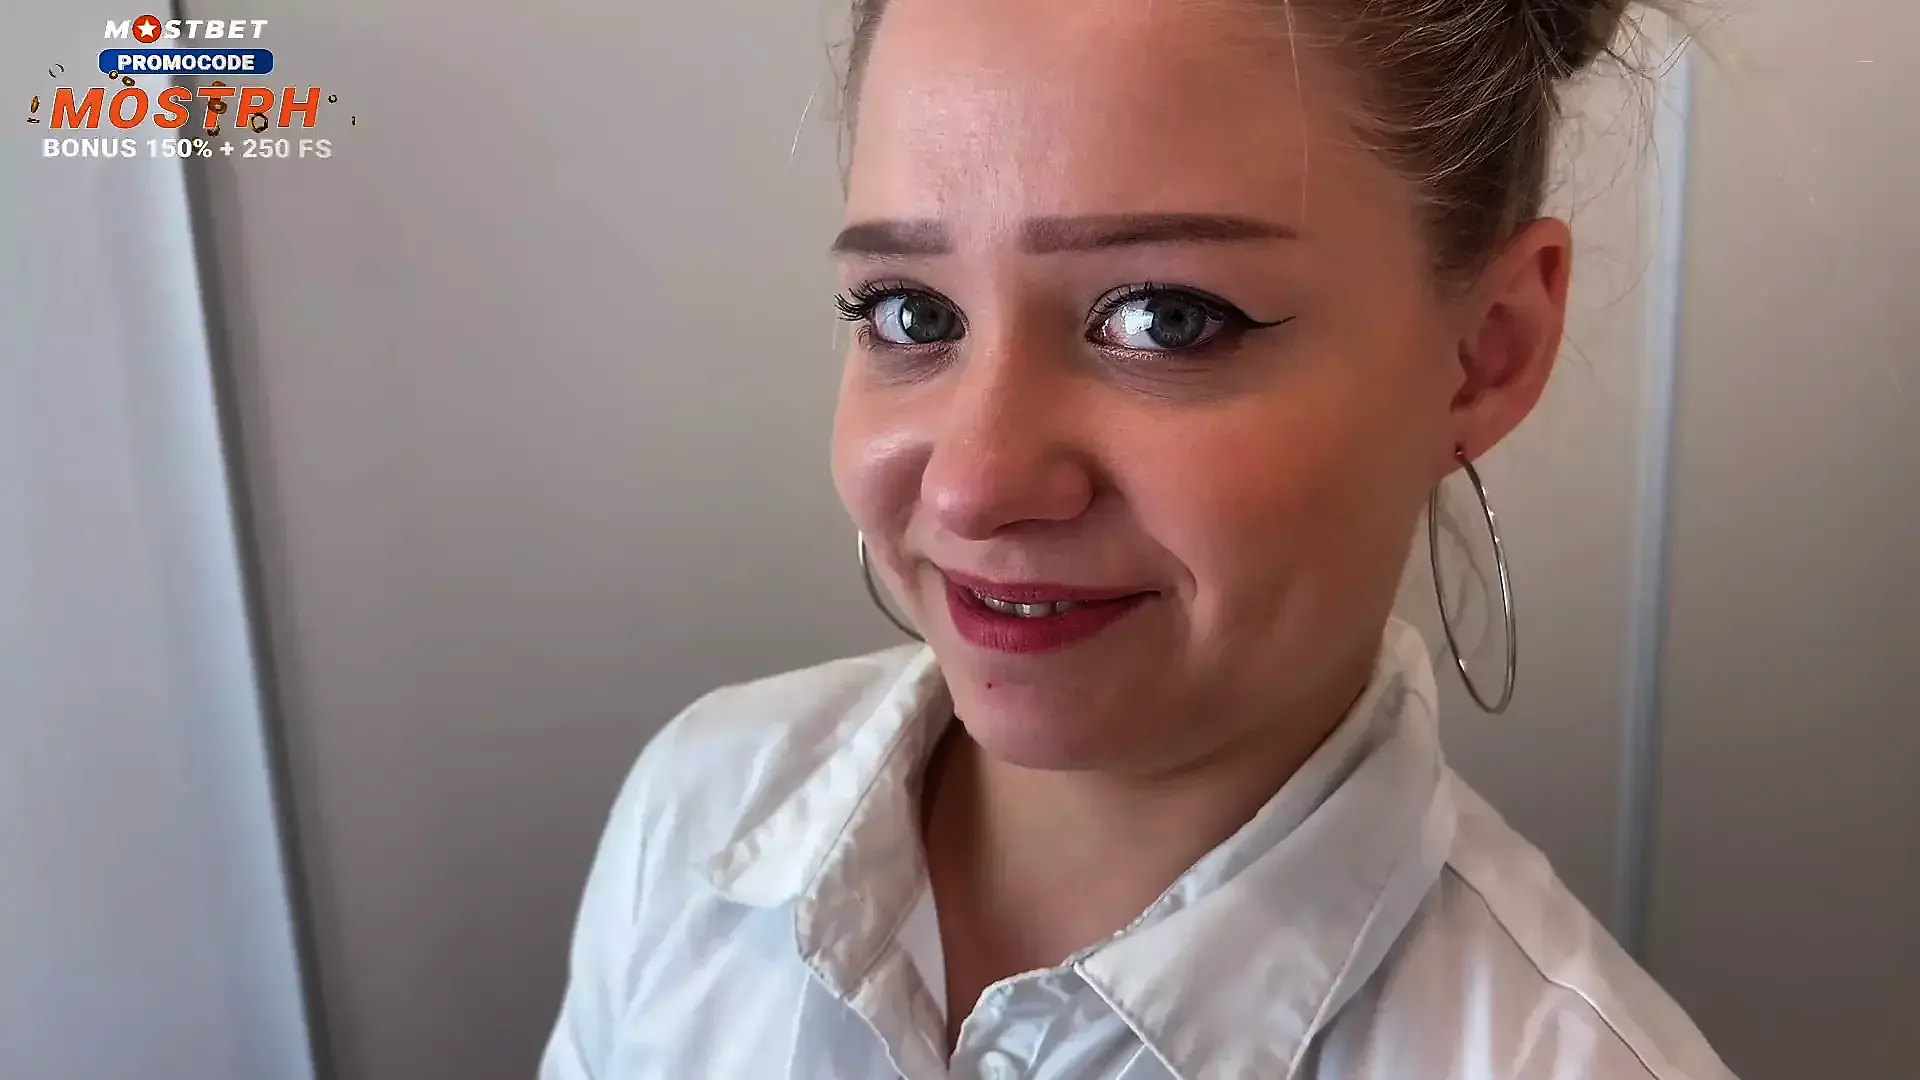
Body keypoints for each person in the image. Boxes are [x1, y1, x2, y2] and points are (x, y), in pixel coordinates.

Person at [541, 0, 1736, 1076]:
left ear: (1487, 352)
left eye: (1166, 319)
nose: (972, 487)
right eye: (911, 312)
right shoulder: (697, 809)